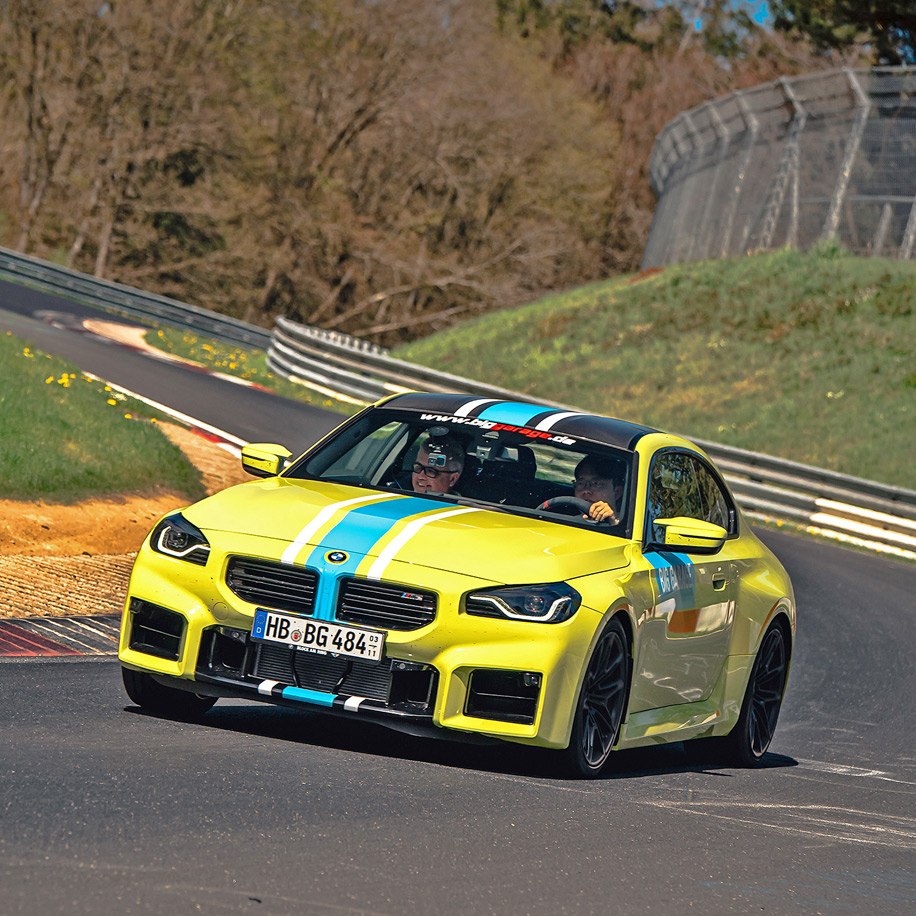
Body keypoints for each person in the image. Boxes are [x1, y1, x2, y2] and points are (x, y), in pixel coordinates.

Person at [574, 457, 623, 523]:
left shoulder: (629, 525)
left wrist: (611, 521)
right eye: (581, 483)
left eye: (596, 483)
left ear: (617, 492)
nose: (586, 490)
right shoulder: (567, 518)